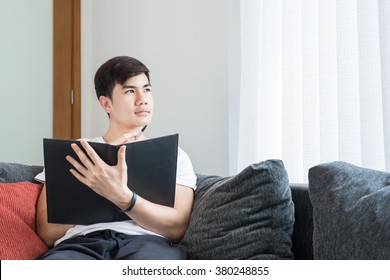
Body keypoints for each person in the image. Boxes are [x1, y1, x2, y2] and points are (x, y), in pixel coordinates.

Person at [35, 56, 197, 260]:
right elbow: (47, 232)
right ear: (106, 103)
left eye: (147, 89)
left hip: (147, 245)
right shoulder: (74, 152)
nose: (142, 99)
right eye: (130, 91)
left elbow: (177, 228)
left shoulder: (175, 156)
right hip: (81, 244)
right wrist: (99, 188)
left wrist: (124, 199)